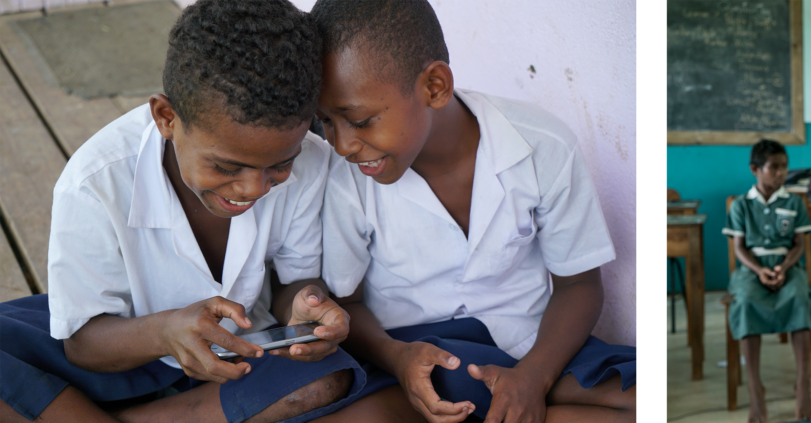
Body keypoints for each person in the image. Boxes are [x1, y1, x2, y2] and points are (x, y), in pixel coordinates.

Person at [0, 1, 367, 421]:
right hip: (125, 349)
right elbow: (82, 343)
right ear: (166, 117)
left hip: (245, 356)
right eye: (227, 166)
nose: (253, 188)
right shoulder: (94, 182)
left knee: (327, 378)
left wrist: (303, 307)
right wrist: (164, 332)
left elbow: (295, 281)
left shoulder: (313, 163)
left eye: (281, 164)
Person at [307, 1, 636, 422]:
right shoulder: (344, 177)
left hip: (529, 350)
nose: (343, 144)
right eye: (326, 123)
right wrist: (399, 357)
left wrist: (534, 378)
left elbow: (579, 286)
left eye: (362, 119)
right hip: (411, 360)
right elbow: (345, 303)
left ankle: (509, 404)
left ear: (435, 86)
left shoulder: (540, 144)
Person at [723, 139, 811, 423]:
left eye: (784, 167)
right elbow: (739, 248)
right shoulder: (741, 205)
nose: (781, 173)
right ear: (755, 169)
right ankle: (755, 389)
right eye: (774, 167)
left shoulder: (794, 202)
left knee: (799, 298)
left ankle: (802, 386)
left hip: (788, 265)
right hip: (752, 269)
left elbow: (799, 244)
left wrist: (783, 267)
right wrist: (761, 271)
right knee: (746, 302)